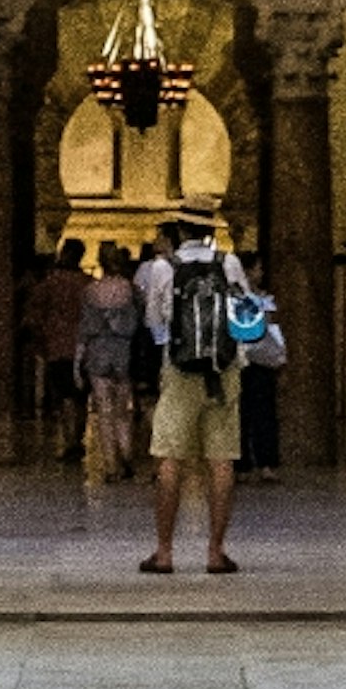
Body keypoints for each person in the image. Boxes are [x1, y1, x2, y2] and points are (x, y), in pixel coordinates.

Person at [142, 217, 250, 576]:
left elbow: (154, 319)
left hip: (180, 371)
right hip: (223, 372)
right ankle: (216, 552)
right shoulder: (229, 263)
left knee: (169, 458)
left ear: (181, 232)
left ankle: (164, 552)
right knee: (221, 461)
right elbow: (244, 314)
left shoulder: (163, 267)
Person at [77, 242, 142, 486]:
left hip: (97, 351)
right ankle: (127, 456)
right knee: (124, 410)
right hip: (123, 350)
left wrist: (77, 361)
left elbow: (84, 330)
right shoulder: (130, 290)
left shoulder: (91, 291)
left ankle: (110, 465)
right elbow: (139, 321)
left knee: (103, 410)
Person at [25, 245, 88, 462]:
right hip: (83, 347)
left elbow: (34, 315)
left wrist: (39, 337)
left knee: (64, 395)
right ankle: (77, 439)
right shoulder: (87, 284)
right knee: (80, 396)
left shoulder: (51, 284)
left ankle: (70, 440)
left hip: (57, 346)